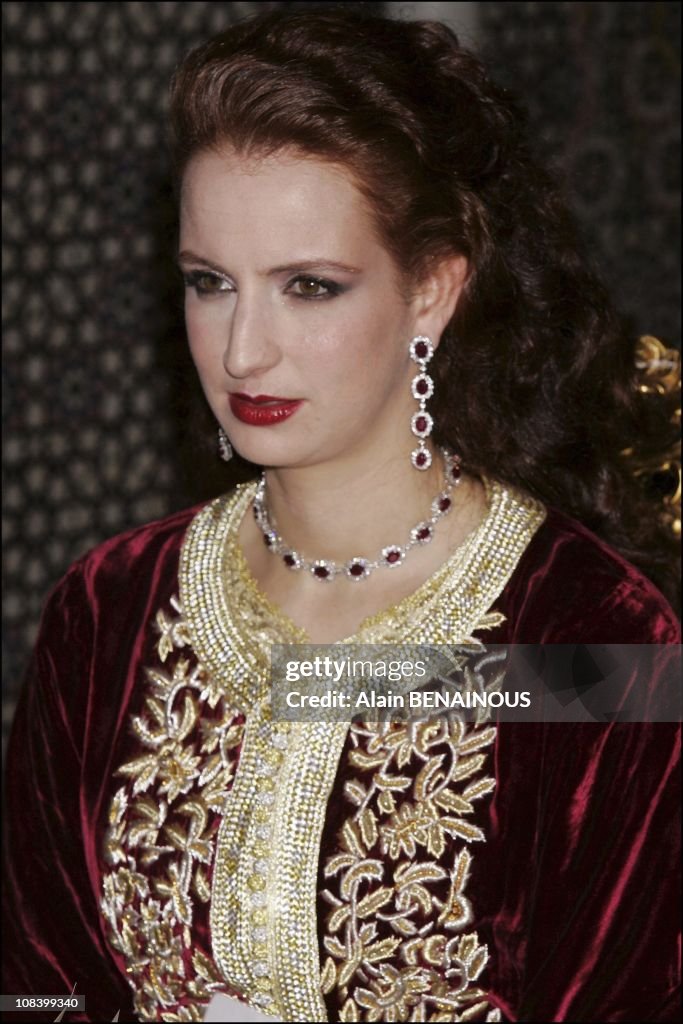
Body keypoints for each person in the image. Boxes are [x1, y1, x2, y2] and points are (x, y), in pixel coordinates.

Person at [2, 8, 680, 1023]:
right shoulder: (108, 615)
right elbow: (39, 991)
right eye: (208, 284)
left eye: (308, 287)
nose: (241, 351)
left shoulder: (590, 642)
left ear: (432, 290)